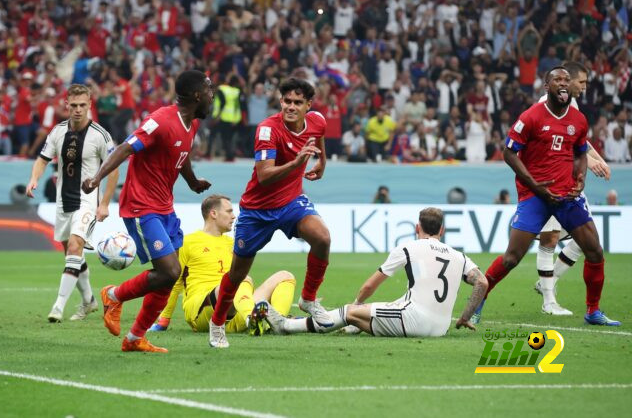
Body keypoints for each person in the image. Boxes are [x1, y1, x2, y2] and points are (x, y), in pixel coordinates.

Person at [472, 67, 620, 326]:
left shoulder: (578, 120)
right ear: (546, 86)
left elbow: (580, 151)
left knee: (595, 251)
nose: (563, 83)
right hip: (535, 195)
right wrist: (533, 184)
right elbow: (509, 153)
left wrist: (581, 177)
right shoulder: (531, 117)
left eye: (566, 79)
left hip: (567, 195)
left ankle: (592, 311)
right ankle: (480, 298)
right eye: (557, 80)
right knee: (512, 257)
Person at [81, 70, 214, 353]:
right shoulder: (161, 120)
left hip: (164, 206)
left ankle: (134, 339)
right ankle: (114, 295)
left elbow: (182, 155)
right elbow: (126, 148)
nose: (213, 96)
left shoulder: (190, 124)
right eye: (210, 91)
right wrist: (96, 178)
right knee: (169, 270)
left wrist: (192, 182)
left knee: (170, 275)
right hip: (142, 207)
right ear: (197, 95)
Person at [207, 77, 331, 348]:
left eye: (298, 103)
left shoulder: (318, 120)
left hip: (291, 202)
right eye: (287, 101)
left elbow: (318, 135)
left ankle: (308, 298)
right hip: (257, 210)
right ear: (280, 100)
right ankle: (217, 325)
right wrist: (297, 162)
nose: (291, 107)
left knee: (322, 237)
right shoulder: (267, 130)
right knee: (237, 275)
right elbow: (264, 176)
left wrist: (322, 160)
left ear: (308, 105)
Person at [264, 207, 488, 337]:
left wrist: (357, 303)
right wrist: (465, 316)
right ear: (442, 230)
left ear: (417, 228)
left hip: (413, 321)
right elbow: (482, 283)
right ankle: (354, 326)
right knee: (380, 311)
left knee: (348, 312)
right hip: (440, 327)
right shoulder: (460, 256)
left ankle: (287, 326)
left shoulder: (408, 248)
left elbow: (370, 286)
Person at [25, 84, 118, 323]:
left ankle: (58, 306)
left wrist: (105, 203)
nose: (78, 110)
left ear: (89, 104)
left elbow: (114, 169)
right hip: (62, 199)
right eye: (74, 105)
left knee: (76, 247)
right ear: (67, 104)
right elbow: (43, 159)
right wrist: (34, 179)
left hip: (87, 200)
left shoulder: (100, 134)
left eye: (82, 105)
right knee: (71, 253)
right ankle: (89, 301)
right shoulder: (57, 132)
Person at [148, 195, 296, 335]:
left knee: (285, 276)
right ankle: (252, 317)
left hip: (233, 311)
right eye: (229, 211)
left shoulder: (233, 244)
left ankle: (277, 323)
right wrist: (164, 320)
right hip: (202, 311)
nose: (233, 216)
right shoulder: (188, 242)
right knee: (241, 279)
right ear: (213, 213)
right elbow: (174, 281)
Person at [534, 61, 612, 315]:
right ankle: (549, 301)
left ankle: (549, 281)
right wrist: (591, 161)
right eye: (582, 82)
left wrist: (599, 160)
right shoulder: (545, 105)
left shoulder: (572, 106)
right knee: (549, 239)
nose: (584, 87)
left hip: (568, 182)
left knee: (584, 241)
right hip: (547, 180)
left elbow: (580, 141)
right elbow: (556, 146)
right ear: (568, 80)